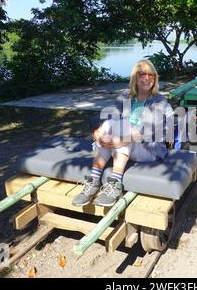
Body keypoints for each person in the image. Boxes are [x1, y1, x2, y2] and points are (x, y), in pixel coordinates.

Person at [72, 60, 173, 207]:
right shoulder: (126, 96)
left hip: (148, 149)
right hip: (124, 144)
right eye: (142, 74)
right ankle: (93, 182)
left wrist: (120, 140)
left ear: (155, 78)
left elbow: (146, 132)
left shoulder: (159, 101)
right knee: (110, 125)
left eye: (150, 74)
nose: (146, 78)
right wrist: (99, 133)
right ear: (135, 78)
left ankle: (115, 185)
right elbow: (111, 117)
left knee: (125, 130)